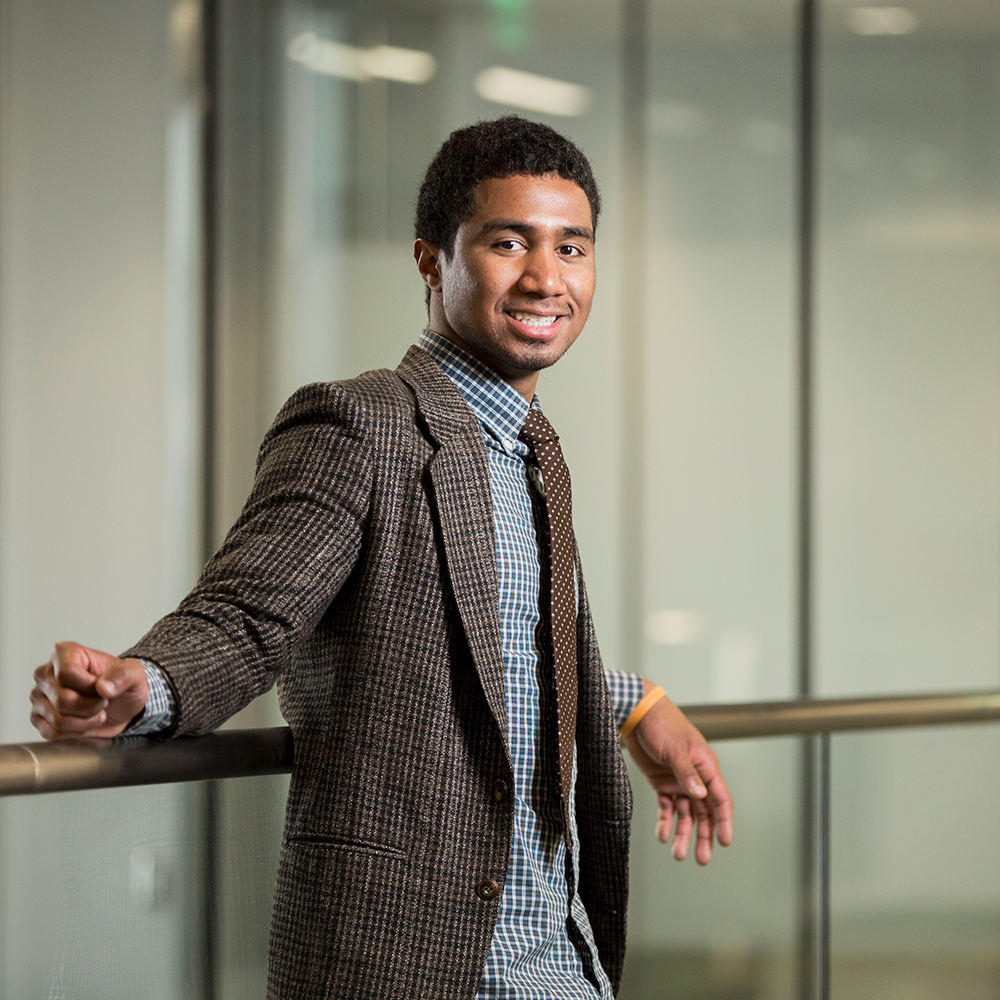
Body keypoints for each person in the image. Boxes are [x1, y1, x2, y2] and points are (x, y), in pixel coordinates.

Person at [29, 116, 732, 999]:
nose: (546, 278)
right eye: (508, 242)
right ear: (432, 260)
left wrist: (636, 704)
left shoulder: (534, 450)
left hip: (554, 947)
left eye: (573, 248)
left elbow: (498, 643)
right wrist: (143, 687)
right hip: (411, 953)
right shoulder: (360, 423)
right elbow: (249, 617)